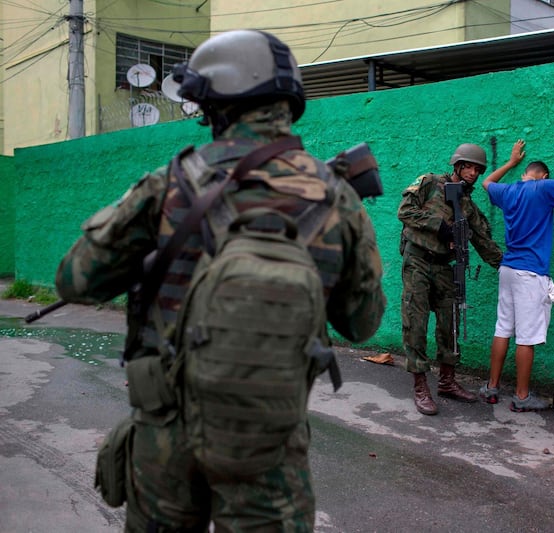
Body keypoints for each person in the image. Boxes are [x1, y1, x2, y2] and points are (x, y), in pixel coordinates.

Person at [55, 30, 386, 531]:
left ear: (216, 102)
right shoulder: (336, 195)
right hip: (267, 440)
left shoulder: (171, 182)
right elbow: (362, 323)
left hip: (164, 435)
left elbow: (75, 281)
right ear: (286, 103)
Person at [479, 140, 554, 411]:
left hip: (507, 269)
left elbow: (486, 183)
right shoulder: (544, 187)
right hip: (530, 273)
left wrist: (511, 162)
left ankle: (491, 387)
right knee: (527, 337)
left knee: (502, 329)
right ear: (544, 175)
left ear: (525, 173)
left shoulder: (508, 191)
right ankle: (521, 397)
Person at [397, 142, 503, 415]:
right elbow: (405, 212)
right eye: (469, 167)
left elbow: (483, 241)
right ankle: (420, 385)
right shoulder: (429, 183)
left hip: (445, 266)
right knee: (416, 323)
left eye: (478, 169)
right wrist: (439, 227)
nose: (473, 173)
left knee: (450, 324)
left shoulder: (467, 206)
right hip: (418, 261)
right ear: (457, 165)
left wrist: (508, 266)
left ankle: (447, 381)